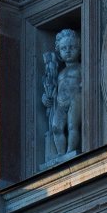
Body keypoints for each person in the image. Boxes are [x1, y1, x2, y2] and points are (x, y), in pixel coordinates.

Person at [42, 29, 81, 160]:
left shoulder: (81, 67)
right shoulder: (60, 73)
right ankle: (60, 154)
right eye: (64, 48)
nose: (68, 51)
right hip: (60, 102)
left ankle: (71, 151)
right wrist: (46, 98)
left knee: (72, 125)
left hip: (76, 100)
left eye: (72, 47)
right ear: (59, 51)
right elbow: (54, 90)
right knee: (56, 127)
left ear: (79, 48)